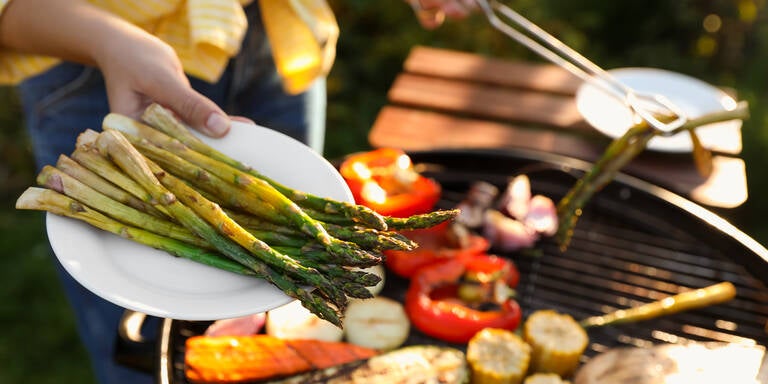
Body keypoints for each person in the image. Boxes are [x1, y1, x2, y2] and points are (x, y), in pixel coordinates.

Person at [0, 0, 476, 383]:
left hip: (276, 29)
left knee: (271, 277)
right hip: (81, 49)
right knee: (130, 342)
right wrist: (108, 43)